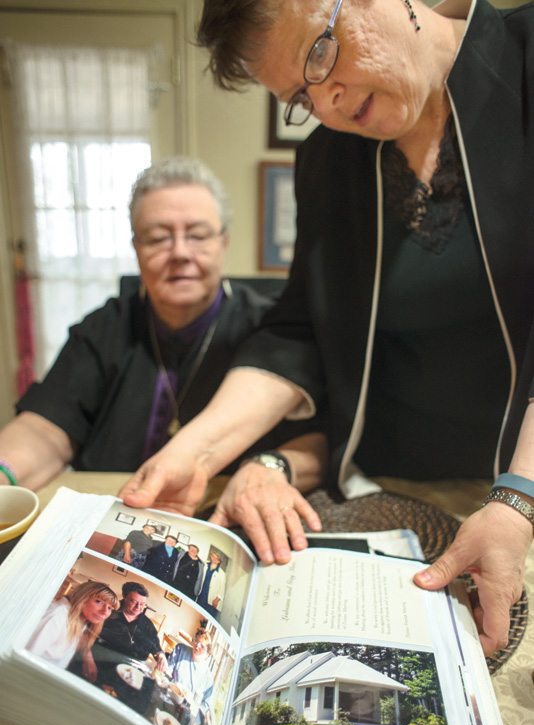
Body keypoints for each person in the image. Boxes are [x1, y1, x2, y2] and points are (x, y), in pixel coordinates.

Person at [120, 0, 534, 656]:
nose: (331, 101)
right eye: (300, 97)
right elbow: (297, 331)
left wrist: (519, 497)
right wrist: (193, 455)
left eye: (320, 50)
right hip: (385, 497)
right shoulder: (329, 161)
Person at [0, 155, 326, 525]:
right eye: (158, 238)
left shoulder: (272, 326)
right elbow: (44, 427)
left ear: (224, 242)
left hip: (222, 521)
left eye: (198, 235)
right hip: (110, 516)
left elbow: (318, 442)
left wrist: (271, 466)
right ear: (136, 248)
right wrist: (4, 474)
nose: (181, 253)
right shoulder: (104, 327)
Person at [26, 581, 119, 676]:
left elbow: (80, 635)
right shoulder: (57, 615)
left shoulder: (81, 617)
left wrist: (88, 657)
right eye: (98, 601)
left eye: (110, 608)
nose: (104, 612)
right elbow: (27, 656)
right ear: (83, 597)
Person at [92, 581, 167, 673]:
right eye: (133, 601)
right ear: (125, 597)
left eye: (142, 604)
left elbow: (156, 647)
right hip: (102, 662)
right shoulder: (108, 612)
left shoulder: (147, 624)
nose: (138, 607)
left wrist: (161, 656)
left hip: (132, 670)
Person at [168, 627, 214, 725]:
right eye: (196, 641)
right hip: (168, 697)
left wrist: (193, 707)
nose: (197, 646)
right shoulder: (181, 650)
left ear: (208, 653)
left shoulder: (208, 678)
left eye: (202, 646)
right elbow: (167, 671)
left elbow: (205, 705)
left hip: (184, 714)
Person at [195, 551, 226, 620]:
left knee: (207, 618)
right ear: (211, 556)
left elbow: (222, 589)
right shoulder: (205, 565)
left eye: (217, 558)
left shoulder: (222, 573)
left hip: (211, 600)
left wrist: (217, 599)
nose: (214, 559)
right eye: (213, 556)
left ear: (219, 561)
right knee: (197, 615)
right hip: (201, 595)